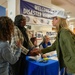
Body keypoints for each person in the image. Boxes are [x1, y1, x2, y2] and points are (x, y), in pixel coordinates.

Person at [35, 10, 75, 75]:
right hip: (67, 65)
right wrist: (40, 51)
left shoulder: (64, 33)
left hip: (72, 67)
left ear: (58, 19)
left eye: (54, 18)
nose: (52, 20)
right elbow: (53, 47)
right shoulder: (60, 33)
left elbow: (72, 50)